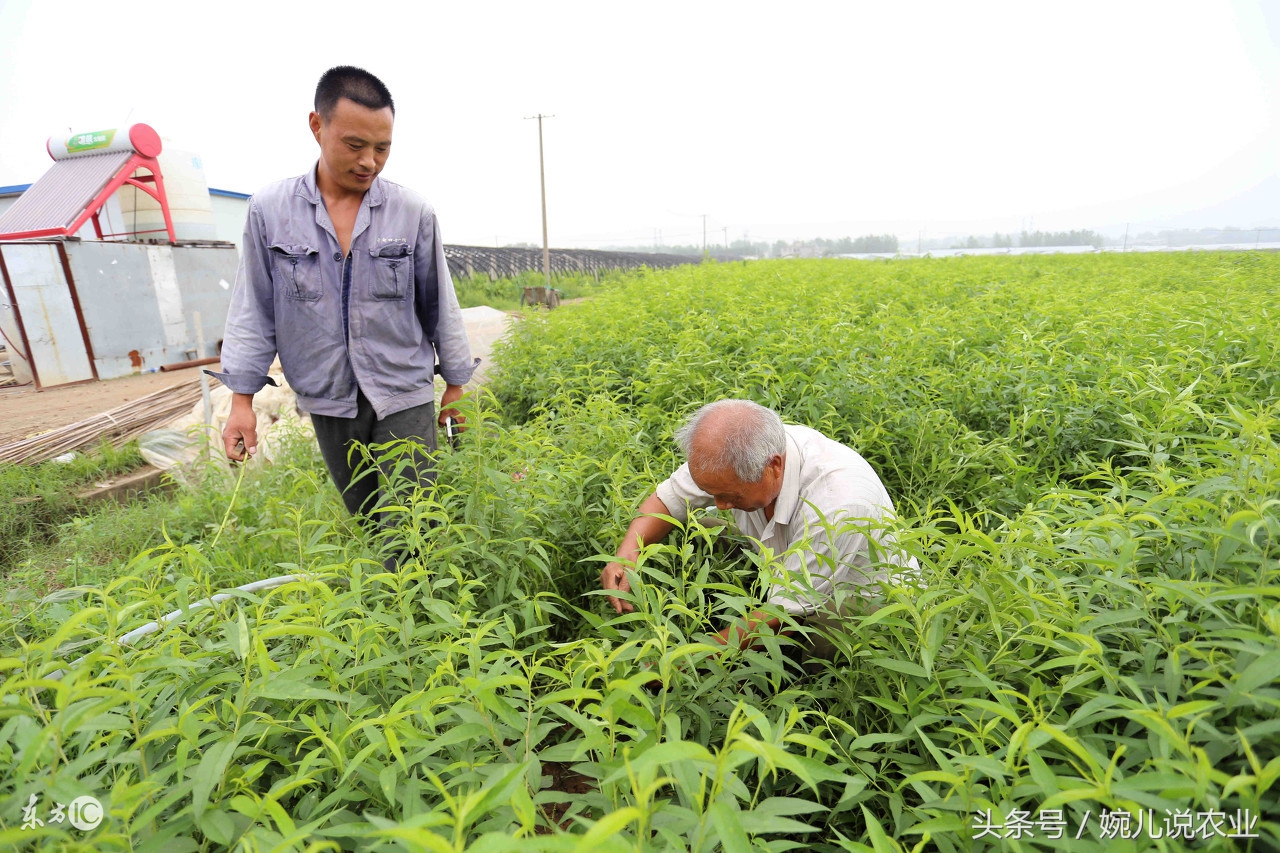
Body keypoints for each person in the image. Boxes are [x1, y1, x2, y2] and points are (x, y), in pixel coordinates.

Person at [211, 65, 474, 527]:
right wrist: (240, 402)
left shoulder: (412, 212)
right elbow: (254, 309)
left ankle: (413, 597)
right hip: (328, 395)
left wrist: (454, 386)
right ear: (317, 126)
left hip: (403, 393)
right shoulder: (270, 211)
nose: (369, 161)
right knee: (369, 521)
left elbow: (440, 305)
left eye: (382, 148)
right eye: (355, 145)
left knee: (414, 525)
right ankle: (386, 597)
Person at [600, 399, 919, 654]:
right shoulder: (727, 455)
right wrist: (626, 556)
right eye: (712, 492)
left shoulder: (838, 503)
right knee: (695, 529)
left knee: (817, 646)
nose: (720, 504)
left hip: (860, 600)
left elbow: (782, 616)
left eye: (730, 495)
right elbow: (667, 500)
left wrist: (683, 662)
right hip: (781, 568)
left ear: (774, 466)